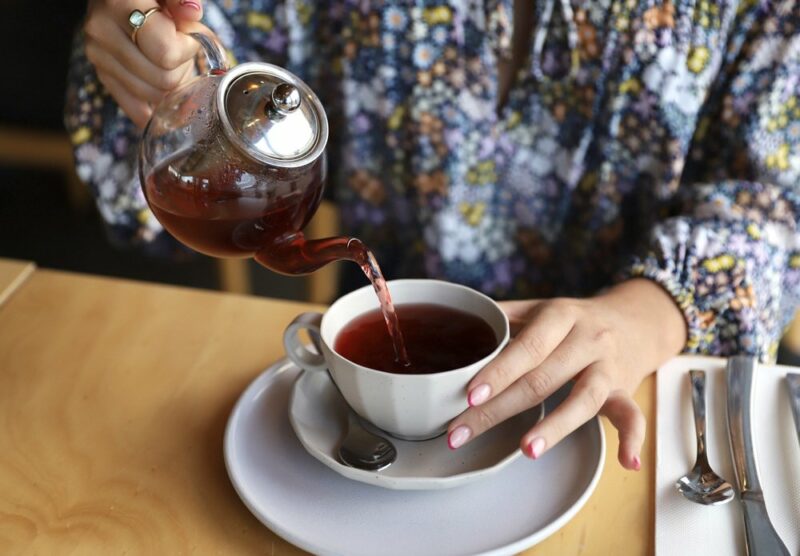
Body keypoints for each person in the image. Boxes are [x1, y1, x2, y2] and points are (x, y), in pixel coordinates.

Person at [65, 0, 800, 470]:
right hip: (382, 412)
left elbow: (775, 200)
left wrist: (646, 315)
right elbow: (216, 55)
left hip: (635, 408)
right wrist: (153, 55)